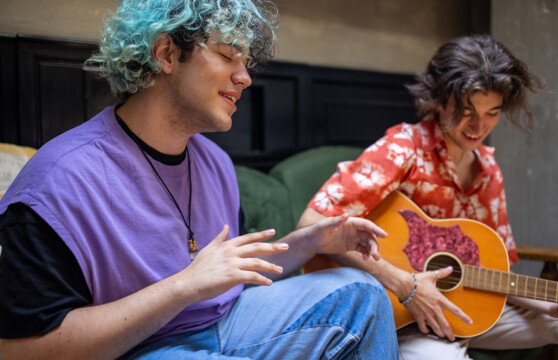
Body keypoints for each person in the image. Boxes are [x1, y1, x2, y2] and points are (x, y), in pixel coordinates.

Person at [0, 0, 398, 359]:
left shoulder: (216, 162)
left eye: (246, 63)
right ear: (166, 53)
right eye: (227, 55)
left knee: (360, 290)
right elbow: (23, 351)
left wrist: (308, 243)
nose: (245, 78)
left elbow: (227, 275)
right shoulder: (57, 182)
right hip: (136, 348)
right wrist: (184, 286)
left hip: (224, 324)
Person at [298, 34, 558, 359]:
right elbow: (311, 223)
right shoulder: (403, 148)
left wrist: (551, 304)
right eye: (467, 111)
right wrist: (403, 284)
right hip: (395, 314)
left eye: (492, 113)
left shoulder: (489, 169)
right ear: (440, 99)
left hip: (464, 312)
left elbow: (497, 276)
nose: (478, 126)